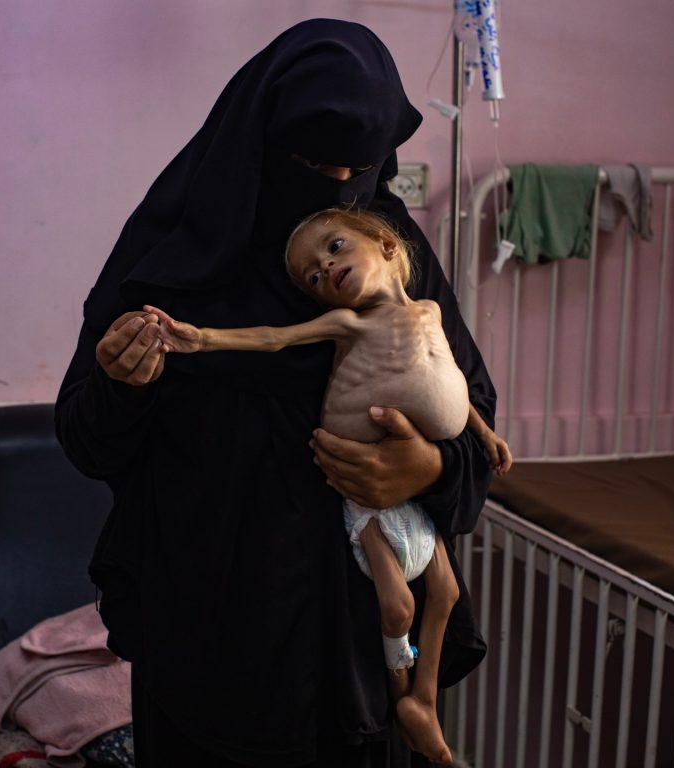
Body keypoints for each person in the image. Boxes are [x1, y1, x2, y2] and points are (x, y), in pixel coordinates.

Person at [55, 18, 498, 767]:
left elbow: (472, 407)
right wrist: (123, 386)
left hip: (358, 642)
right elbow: (85, 438)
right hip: (211, 633)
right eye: (314, 164)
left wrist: (429, 467)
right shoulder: (174, 255)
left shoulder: (387, 249)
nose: (338, 189)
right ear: (261, 139)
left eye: (358, 168)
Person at [142, 206, 513, 764]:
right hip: (359, 489)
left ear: (386, 244)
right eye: (312, 276)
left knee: (447, 594)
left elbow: (455, 379)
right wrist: (202, 339)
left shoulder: (431, 310)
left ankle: (423, 701)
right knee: (396, 607)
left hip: (412, 492)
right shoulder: (350, 323)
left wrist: (484, 436)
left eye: (335, 247)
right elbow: (273, 339)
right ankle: (399, 694)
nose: (325, 269)